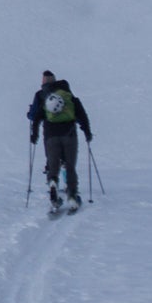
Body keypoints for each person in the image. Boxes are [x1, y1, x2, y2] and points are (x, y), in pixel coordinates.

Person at [28, 69, 93, 211]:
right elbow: (81, 114)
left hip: (50, 135)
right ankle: (72, 195)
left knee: (52, 164)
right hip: (69, 134)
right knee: (70, 165)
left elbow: (35, 116)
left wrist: (34, 134)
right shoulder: (68, 95)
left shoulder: (41, 96)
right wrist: (87, 132)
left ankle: (52, 183)